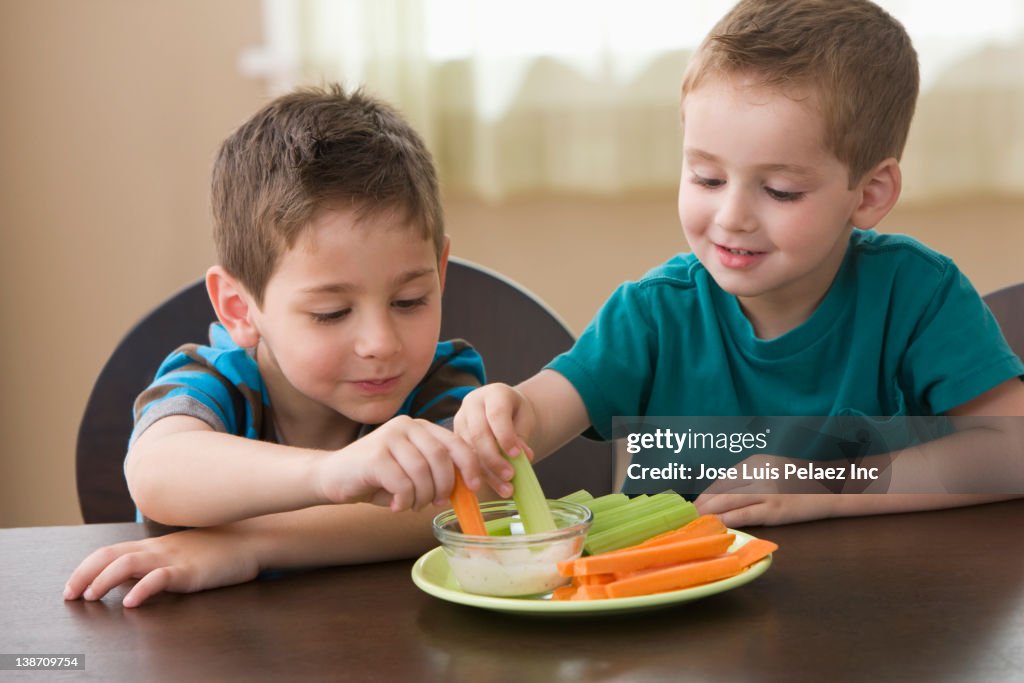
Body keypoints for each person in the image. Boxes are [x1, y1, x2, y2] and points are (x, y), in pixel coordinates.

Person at [456, 0, 1024, 528]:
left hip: (868, 607)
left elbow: (1014, 450)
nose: (731, 217)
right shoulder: (653, 314)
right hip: (677, 610)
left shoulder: (917, 295)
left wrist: (824, 483)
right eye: (706, 177)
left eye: (779, 190)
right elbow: (542, 408)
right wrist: (509, 411)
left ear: (870, 193)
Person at [65, 85, 513, 607]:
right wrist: (330, 474)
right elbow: (156, 473)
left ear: (440, 273)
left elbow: (460, 503)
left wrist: (251, 546)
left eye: (410, 300)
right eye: (331, 313)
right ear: (239, 308)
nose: (380, 343)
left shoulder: (441, 379)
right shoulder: (214, 381)